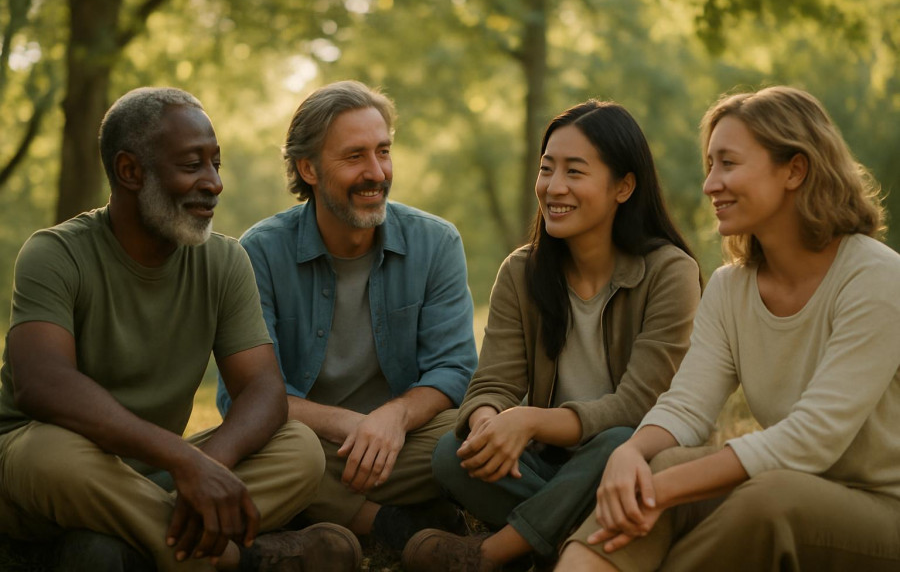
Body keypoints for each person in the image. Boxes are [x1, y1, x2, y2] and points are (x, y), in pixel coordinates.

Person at [0, 87, 363, 572]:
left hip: (156, 474)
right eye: (192, 165)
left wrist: (205, 464)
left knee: (299, 449)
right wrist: (184, 461)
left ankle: (123, 544)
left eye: (216, 164)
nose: (213, 183)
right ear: (130, 171)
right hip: (50, 468)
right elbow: (42, 383)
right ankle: (234, 557)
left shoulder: (225, 260)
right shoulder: (55, 254)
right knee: (48, 453)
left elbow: (263, 390)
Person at [558, 86, 900, 571]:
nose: (710, 183)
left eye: (729, 163)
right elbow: (687, 407)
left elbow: (812, 437)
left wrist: (657, 490)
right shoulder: (729, 287)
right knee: (669, 461)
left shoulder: (877, 277)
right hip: (793, 485)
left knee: (767, 497)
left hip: (883, 511)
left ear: (794, 170)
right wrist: (631, 455)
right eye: (710, 164)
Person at [401, 100, 701, 571]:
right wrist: (487, 425)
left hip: (632, 459)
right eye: (547, 169)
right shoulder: (521, 271)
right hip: (546, 465)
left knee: (618, 440)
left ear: (623, 186)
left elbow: (639, 405)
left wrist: (531, 420)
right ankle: (579, 535)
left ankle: (494, 552)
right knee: (450, 455)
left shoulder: (669, 272)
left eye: (575, 172)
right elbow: (493, 383)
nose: (553, 187)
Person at [217, 80, 478, 551]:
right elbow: (245, 395)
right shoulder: (258, 252)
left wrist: (393, 418)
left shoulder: (437, 242)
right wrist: (352, 426)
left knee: (466, 438)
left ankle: (310, 513)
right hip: (308, 445)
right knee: (286, 457)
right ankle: (388, 524)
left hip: (402, 445)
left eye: (383, 151)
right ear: (308, 168)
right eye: (354, 156)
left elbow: (455, 368)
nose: (376, 172)